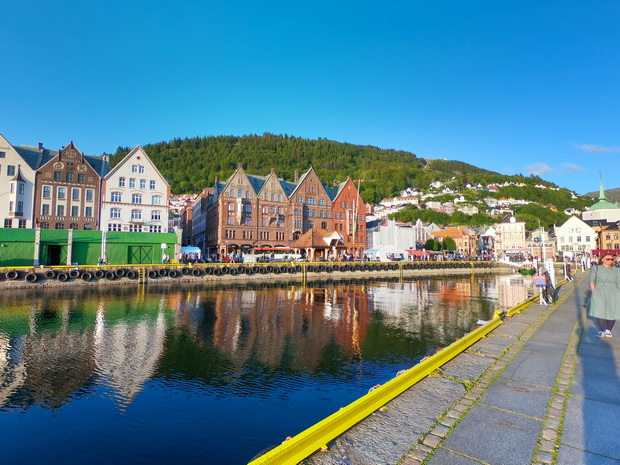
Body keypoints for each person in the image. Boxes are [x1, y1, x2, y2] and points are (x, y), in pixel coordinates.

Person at [589, 253, 620, 337]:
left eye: (611, 259)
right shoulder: (596, 268)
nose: (610, 261)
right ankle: (602, 330)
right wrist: (594, 292)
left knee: (612, 311)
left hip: (613, 292)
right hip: (599, 291)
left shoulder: (617, 270)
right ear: (602, 259)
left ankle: (608, 330)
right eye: (608, 259)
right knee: (600, 310)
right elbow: (592, 281)